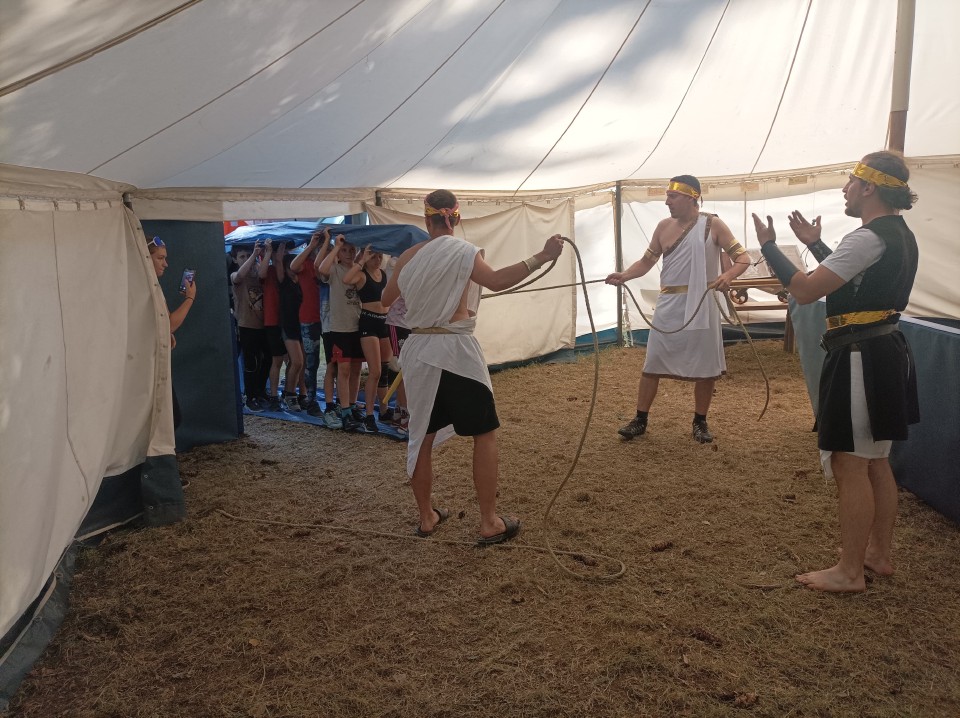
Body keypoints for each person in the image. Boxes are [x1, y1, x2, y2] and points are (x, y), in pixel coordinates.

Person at [752, 151, 919, 593]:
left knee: (850, 462)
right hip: (882, 350)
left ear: (869, 187)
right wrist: (815, 245)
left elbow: (807, 290)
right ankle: (877, 554)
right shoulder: (898, 233)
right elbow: (856, 281)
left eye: (850, 182)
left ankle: (849, 571)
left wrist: (769, 247)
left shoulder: (867, 237)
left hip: (861, 355)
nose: (845, 190)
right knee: (875, 461)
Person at [382, 189, 564, 544]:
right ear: (457, 218)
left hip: (418, 351)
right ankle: (489, 522)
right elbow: (496, 280)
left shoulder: (408, 257)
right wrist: (542, 256)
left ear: (426, 219)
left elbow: (387, 299)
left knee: (422, 436)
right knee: (484, 432)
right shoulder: (463, 251)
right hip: (455, 350)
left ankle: (426, 518)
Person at [605, 175, 751, 443]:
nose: (667, 202)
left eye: (672, 196)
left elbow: (743, 258)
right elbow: (646, 262)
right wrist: (624, 275)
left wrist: (728, 276)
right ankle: (640, 419)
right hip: (669, 304)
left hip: (702, 304)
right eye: (667, 196)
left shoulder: (713, 224)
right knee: (653, 361)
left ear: (691, 197)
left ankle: (700, 422)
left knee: (705, 364)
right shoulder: (663, 227)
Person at [343, 245, 395, 433]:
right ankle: (369, 415)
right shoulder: (361, 274)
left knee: (384, 370)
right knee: (375, 371)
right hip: (368, 323)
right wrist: (362, 260)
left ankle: (384, 410)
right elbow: (346, 279)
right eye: (374, 257)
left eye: (380, 256)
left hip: (384, 322)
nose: (378, 260)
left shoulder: (384, 274)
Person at [147, 235, 197, 429]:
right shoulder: (147, 287)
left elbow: (162, 324)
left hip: (153, 361)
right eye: (160, 258)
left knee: (170, 418)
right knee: (170, 418)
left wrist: (164, 334)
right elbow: (169, 324)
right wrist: (190, 298)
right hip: (148, 365)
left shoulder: (151, 286)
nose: (165, 264)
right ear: (146, 258)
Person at [317, 234, 364, 431]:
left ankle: (351, 406)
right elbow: (321, 269)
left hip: (357, 326)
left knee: (356, 369)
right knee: (342, 370)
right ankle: (343, 411)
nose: (348, 254)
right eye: (345, 250)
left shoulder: (359, 270)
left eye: (352, 250)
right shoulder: (335, 269)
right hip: (339, 328)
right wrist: (336, 247)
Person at [290, 228, 329, 415]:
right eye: (317, 245)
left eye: (322, 245)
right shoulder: (305, 264)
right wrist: (311, 246)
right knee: (312, 361)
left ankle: (335, 401)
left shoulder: (329, 265)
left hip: (329, 319)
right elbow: (293, 266)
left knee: (333, 361)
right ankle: (311, 400)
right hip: (309, 318)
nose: (319, 248)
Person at [230, 241, 271, 411]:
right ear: (235, 259)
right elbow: (239, 276)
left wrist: (265, 254)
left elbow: (263, 274)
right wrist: (254, 255)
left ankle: (260, 391)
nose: (246, 258)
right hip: (247, 324)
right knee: (251, 362)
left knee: (267, 359)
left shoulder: (257, 272)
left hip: (264, 324)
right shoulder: (235, 275)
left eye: (248, 255)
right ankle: (250, 396)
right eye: (242, 256)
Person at [258, 239, 289, 411]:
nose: (282, 254)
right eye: (280, 251)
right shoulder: (269, 270)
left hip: (288, 320)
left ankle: (289, 392)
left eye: (284, 251)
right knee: (277, 359)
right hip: (273, 321)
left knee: (293, 359)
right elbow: (261, 274)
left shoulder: (289, 269)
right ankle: (274, 395)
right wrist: (269, 253)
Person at [276, 252, 306, 410]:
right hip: (288, 326)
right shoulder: (284, 281)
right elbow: (278, 261)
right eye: (291, 266)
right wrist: (280, 248)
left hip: (302, 325)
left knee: (300, 362)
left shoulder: (301, 281)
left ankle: (293, 392)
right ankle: (290, 394)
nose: (295, 268)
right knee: (297, 361)